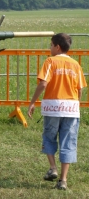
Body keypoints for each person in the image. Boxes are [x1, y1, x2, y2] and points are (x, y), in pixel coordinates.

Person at [27, 33, 87, 190]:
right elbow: (80, 89)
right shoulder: (76, 65)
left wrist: (33, 102)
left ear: (57, 47)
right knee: (68, 141)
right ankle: (63, 180)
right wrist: (75, 104)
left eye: (51, 45)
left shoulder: (50, 61)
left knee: (49, 137)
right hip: (72, 109)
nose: (49, 48)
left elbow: (43, 84)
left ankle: (53, 168)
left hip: (53, 107)